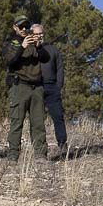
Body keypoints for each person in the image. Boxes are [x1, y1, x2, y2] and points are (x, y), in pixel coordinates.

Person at [2, 15, 48, 161]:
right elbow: (9, 61)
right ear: (15, 27)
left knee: (38, 122)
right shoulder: (11, 43)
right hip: (19, 86)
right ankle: (13, 155)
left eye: (26, 27)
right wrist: (21, 47)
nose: (24, 29)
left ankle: (41, 154)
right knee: (17, 122)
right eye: (21, 26)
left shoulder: (34, 42)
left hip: (37, 87)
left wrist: (39, 46)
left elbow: (46, 58)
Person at [33, 23, 67, 154]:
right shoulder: (30, 50)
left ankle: (62, 144)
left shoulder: (53, 50)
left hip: (52, 87)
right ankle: (40, 149)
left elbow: (60, 69)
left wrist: (58, 86)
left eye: (40, 33)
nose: (38, 36)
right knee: (37, 119)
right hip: (36, 87)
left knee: (58, 116)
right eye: (35, 34)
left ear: (43, 34)